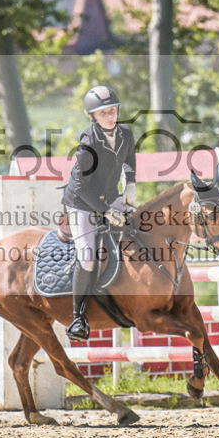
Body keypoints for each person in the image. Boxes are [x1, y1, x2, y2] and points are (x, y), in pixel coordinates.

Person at [61, 86, 137, 342]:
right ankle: (78, 318)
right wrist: (105, 212)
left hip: (109, 195)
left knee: (140, 224)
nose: (110, 116)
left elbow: (129, 160)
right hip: (81, 203)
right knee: (88, 256)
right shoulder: (88, 143)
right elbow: (81, 187)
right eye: (103, 113)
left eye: (113, 110)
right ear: (92, 116)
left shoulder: (125, 133)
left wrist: (131, 184)